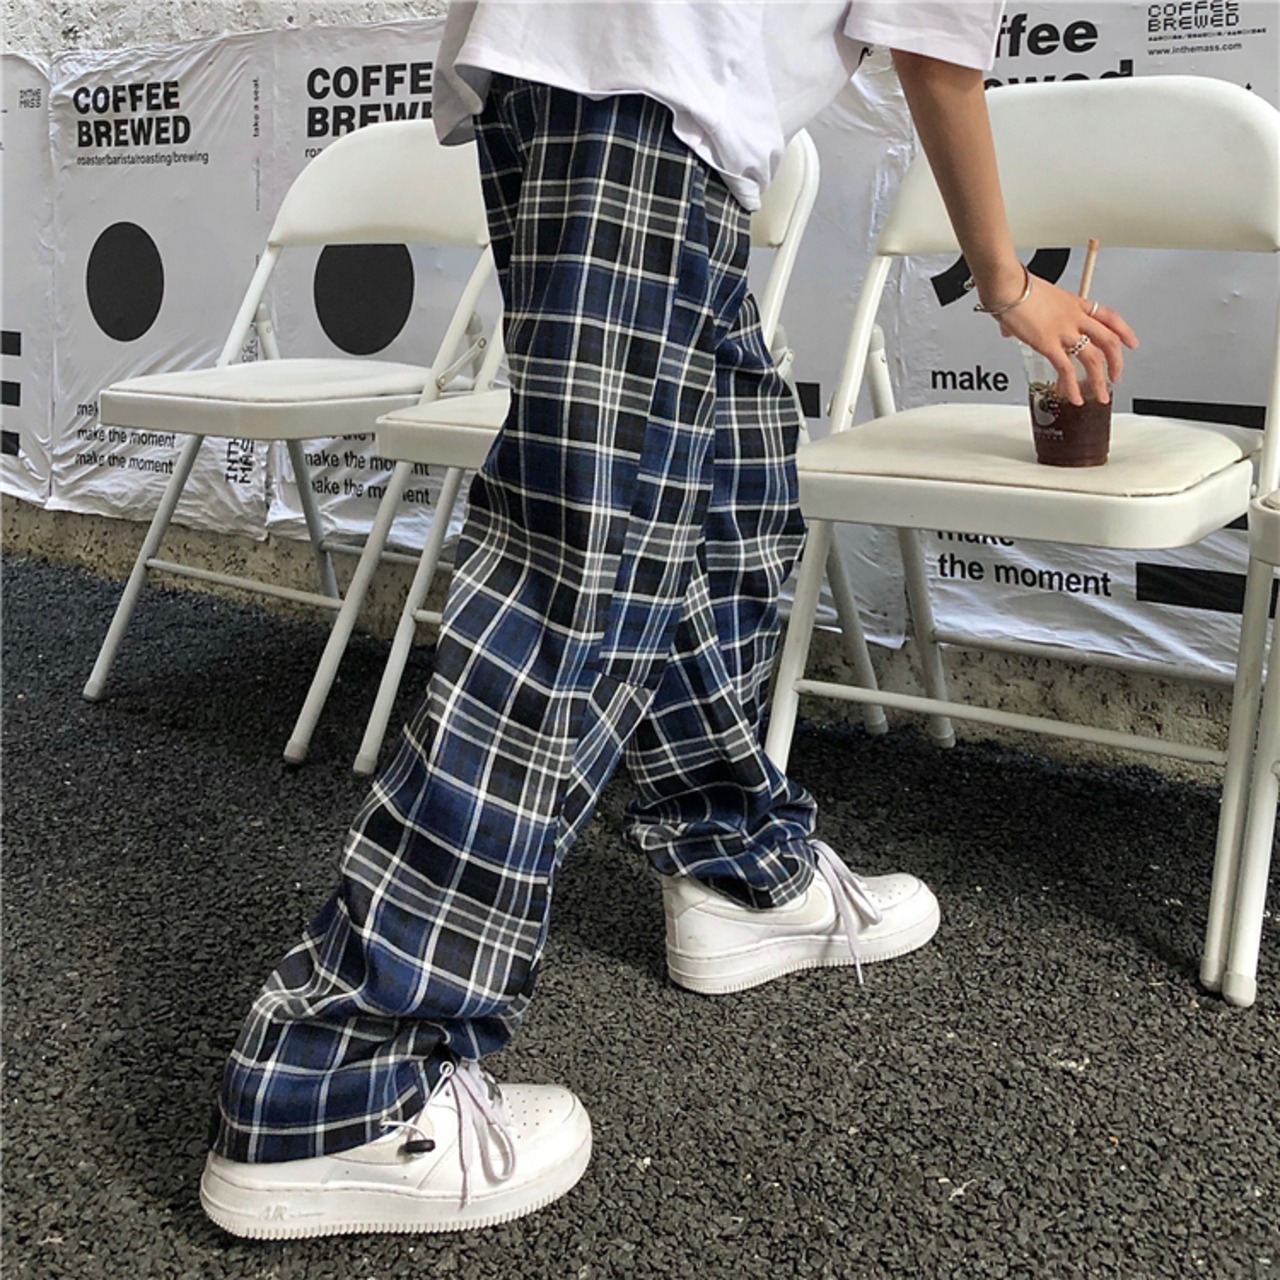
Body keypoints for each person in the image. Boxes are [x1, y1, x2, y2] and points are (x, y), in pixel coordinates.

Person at [199, 0, 1139, 1239]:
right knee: (580, 571)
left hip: (596, 84)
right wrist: (1007, 283)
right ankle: (342, 1075)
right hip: (637, 98)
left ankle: (736, 862)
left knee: (728, 487)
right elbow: (934, 52)